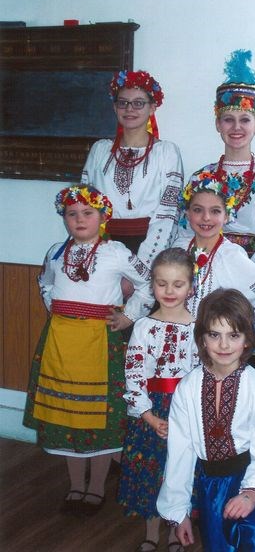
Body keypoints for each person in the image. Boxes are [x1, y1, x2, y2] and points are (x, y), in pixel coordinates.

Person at [23, 184, 153, 515]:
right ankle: (75, 486)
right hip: (61, 343)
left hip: (100, 342)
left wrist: (128, 316)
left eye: (87, 213)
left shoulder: (117, 253)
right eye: (71, 214)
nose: (79, 220)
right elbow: (46, 282)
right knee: (67, 413)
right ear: (64, 218)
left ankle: (96, 487)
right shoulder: (56, 252)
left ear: (103, 216)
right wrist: (55, 307)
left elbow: (148, 283)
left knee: (98, 416)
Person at [156, 288, 255, 551]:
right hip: (212, 488)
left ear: (246, 340)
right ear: (202, 338)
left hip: (253, 480)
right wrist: (178, 511)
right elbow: (180, 452)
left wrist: (252, 493)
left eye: (234, 335)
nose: (224, 345)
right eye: (214, 335)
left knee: (253, 538)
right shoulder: (188, 387)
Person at [82, 69, 184, 326]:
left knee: (139, 335)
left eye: (139, 103)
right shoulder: (99, 151)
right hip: (103, 246)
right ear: (115, 107)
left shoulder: (166, 153)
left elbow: (167, 216)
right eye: (123, 102)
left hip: (149, 247)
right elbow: (85, 210)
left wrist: (138, 273)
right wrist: (99, 259)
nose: (130, 109)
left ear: (152, 107)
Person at [177, 49, 255, 277]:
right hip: (205, 273)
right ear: (218, 124)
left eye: (245, 120)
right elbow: (184, 231)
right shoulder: (201, 178)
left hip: (253, 277)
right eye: (228, 119)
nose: (236, 128)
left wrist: (244, 278)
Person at [117, 248, 199, 552]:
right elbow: (135, 375)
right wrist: (148, 416)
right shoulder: (143, 327)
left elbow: (205, 373)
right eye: (161, 283)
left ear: (191, 287)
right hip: (154, 411)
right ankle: (152, 531)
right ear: (152, 285)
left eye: (178, 284)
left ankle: (180, 529)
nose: (169, 291)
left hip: (188, 410)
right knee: (152, 470)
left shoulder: (200, 328)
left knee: (183, 470)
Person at [174, 173, 255, 337]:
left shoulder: (231, 256)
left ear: (226, 216)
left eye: (215, 211)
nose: (206, 217)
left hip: (212, 350)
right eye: (197, 210)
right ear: (188, 213)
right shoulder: (179, 248)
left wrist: (240, 337)